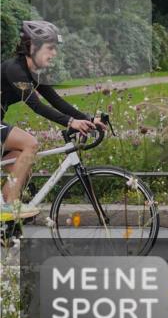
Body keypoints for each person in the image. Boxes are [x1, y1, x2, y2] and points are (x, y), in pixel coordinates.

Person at [1, 21, 105, 221]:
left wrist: (88, 119)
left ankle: (6, 222)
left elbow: (55, 100)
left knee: (24, 164)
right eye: (50, 48)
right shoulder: (14, 70)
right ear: (32, 47)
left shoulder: (33, 74)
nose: (54, 53)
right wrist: (70, 123)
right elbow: (36, 106)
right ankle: (9, 206)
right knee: (29, 143)